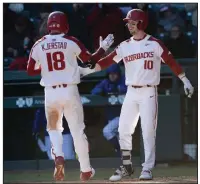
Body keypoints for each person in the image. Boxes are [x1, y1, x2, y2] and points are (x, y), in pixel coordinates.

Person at [89, 9, 194, 181]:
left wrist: (185, 80)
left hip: (148, 91)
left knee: (148, 131)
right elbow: (106, 63)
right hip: (131, 91)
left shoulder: (154, 43)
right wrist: (93, 60)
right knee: (123, 130)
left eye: (132, 22)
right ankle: (127, 166)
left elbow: (171, 62)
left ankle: (147, 168)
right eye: (128, 22)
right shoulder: (125, 46)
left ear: (141, 23)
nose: (129, 25)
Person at [27, 11, 114, 181]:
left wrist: (46, 67)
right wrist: (102, 49)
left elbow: (30, 71)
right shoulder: (70, 41)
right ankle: (86, 170)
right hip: (69, 90)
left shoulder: (38, 44)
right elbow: (89, 62)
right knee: (77, 131)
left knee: (53, 129)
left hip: (51, 92)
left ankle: (58, 156)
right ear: (65, 24)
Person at [91, 64, 127, 156]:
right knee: (119, 139)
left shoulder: (124, 80)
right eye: (110, 74)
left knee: (107, 131)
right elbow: (94, 92)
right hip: (111, 116)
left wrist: (120, 89)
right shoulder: (105, 82)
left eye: (114, 74)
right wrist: (101, 91)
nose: (112, 76)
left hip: (123, 115)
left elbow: (128, 89)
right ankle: (123, 158)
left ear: (118, 74)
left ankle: (120, 150)